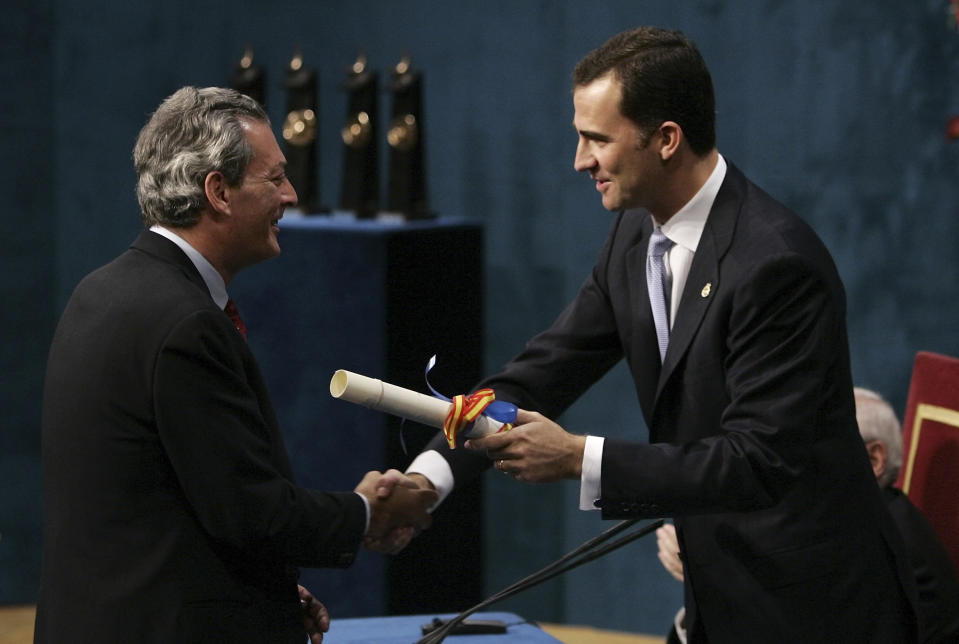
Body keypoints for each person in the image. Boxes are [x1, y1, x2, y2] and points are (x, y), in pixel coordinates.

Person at [387, 27, 919, 642]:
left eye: (596, 140)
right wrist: (431, 477)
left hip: (815, 606)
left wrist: (578, 458)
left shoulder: (777, 264)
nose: (580, 161)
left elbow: (758, 461)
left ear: (666, 139)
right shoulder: (635, 239)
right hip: (719, 593)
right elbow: (543, 370)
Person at [35, 86, 436, 644]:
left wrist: (265, 598)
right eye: (275, 179)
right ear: (218, 191)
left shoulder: (99, 292)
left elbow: (152, 508)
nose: (291, 196)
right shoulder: (185, 324)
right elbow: (253, 515)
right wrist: (368, 513)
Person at [657, 387, 959, 643]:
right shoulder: (864, 520)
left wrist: (714, 578)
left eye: (813, 452)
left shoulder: (880, 540)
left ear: (874, 459)